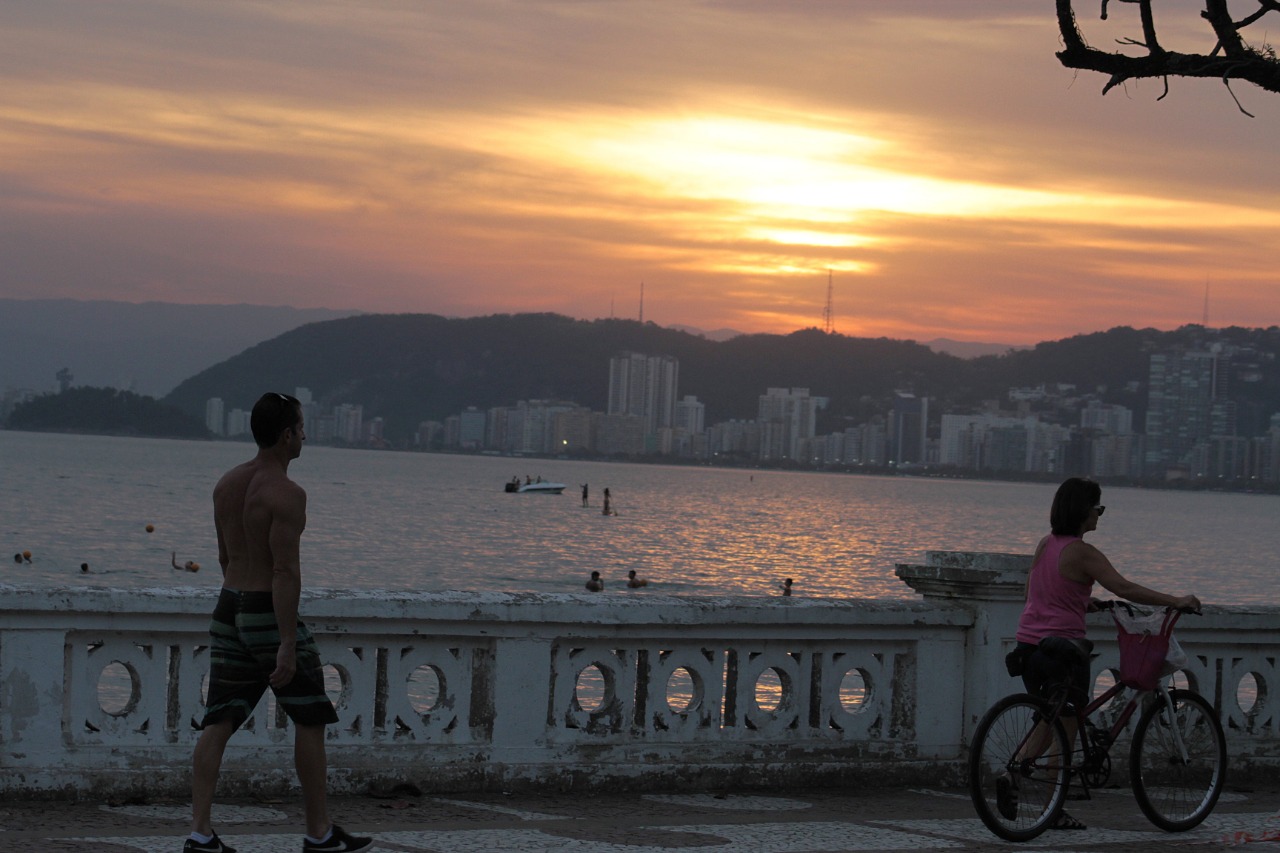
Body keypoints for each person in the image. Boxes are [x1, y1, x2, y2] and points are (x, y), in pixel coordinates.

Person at [186, 393, 373, 853]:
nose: (306, 435)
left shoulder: (227, 484)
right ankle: (319, 833)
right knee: (309, 717)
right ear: (287, 434)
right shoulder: (287, 494)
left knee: (220, 719)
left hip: (228, 606)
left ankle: (200, 832)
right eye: (302, 428)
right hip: (266, 611)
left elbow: (224, 556)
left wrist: (243, 604)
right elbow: (284, 571)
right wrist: (286, 643)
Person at [1003, 477, 1200, 832]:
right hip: (1062, 649)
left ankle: (1020, 774)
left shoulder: (1045, 545)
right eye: (1098, 508)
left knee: (1050, 719)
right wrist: (1176, 600)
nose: (1100, 515)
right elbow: (1123, 587)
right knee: (1064, 727)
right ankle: (1044, 799)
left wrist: (1082, 601)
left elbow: (1036, 591)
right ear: (1083, 511)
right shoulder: (1082, 552)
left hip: (1028, 646)